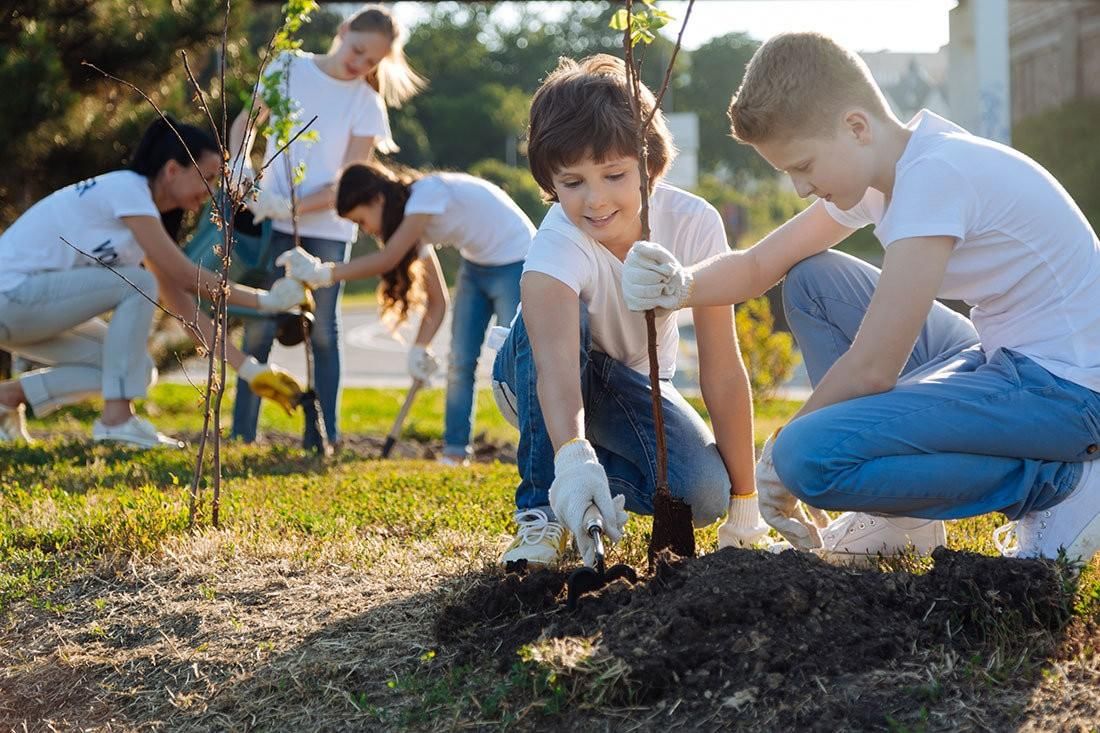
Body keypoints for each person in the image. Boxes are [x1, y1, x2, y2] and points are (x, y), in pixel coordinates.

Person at [621, 32, 1100, 564]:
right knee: (812, 282)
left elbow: (874, 367)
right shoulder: (893, 167)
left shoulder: (933, 178)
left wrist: (779, 454)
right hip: (1002, 355)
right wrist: (681, 286)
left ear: (856, 127)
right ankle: (902, 520)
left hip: (1069, 391)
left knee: (809, 457)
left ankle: (1060, 484)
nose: (801, 188)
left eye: (803, 166)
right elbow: (760, 264)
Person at [485, 55, 768, 569]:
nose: (595, 201)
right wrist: (571, 459)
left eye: (614, 175)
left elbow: (724, 369)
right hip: (539, 376)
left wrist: (745, 506)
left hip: (627, 386)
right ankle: (542, 510)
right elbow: (555, 369)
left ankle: (581, 481)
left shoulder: (694, 225)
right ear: (551, 182)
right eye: (572, 183)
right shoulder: (556, 247)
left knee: (703, 494)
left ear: (650, 166)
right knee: (559, 323)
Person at [0, 117, 307, 448]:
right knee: (138, 283)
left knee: (138, 370)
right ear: (172, 170)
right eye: (206, 177)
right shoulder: (127, 189)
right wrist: (267, 300)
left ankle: (8, 397)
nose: (211, 191)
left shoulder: (142, 223)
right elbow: (188, 277)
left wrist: (248, 369)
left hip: (26, 312)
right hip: (12, 298)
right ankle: (116, 422)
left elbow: (184, 308)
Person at [230, 3, 425, 450]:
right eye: (357, 51)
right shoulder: (288, 66)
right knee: (261, 323)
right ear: (342, 31)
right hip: (268, 218)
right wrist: (240, 165)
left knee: (322, 330)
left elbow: (349, 182)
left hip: (329, 229)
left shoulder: (366, 103)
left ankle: (324, 436)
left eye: (372, 61)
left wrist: (289, 204)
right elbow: (248, 119)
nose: (360, 64)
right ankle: (241, 434)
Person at [278, 161, 534, 464]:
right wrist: (419, 349)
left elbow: (387, 259)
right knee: (459, 362)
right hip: (476, 265)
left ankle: (534, 452)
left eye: (361, 220)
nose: (365, 231)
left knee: (517, 364)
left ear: (376, 199)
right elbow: (437, 302)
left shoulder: (426, 195)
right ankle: (454, 453)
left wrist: (323, 273)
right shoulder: (413, 225)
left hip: (518, 259)